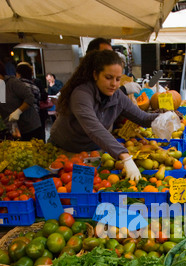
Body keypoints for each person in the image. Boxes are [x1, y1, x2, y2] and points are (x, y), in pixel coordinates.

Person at [49, 50, 163, 181]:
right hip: (65, 151)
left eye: (118, 79)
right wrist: (125, 156)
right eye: (108, 78)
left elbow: (142, 118)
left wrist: (164, 116)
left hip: (93, 152)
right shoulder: (81, 94)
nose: (114, 84)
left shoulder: (117, 96)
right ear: (95, 75)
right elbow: (93, 127)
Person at [0, 61, 43, 141]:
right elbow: (3, 106)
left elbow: (30, 98)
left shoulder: (12, 82)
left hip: (30, 126)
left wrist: (18, 111)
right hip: (14, 130)